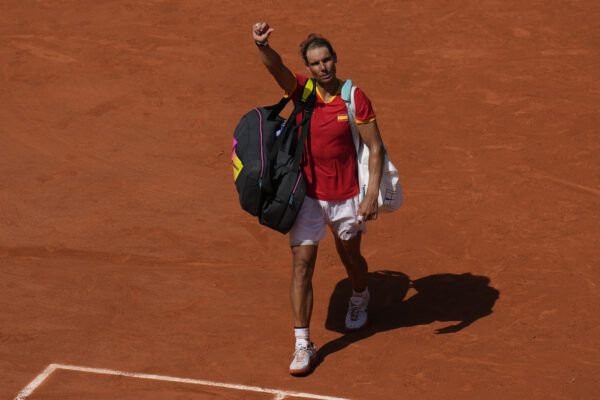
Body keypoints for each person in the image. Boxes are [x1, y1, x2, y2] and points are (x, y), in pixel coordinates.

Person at [252, 22, 385, 376]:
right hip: (307, 196)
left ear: (335, 60)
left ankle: (360, 295)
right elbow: (277, 68)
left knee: (351, 257)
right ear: (308, 68)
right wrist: (262, 46)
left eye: (327, 60)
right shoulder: (305, 92)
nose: (322, 67)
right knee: (302, 265)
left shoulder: (353, 97)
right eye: (315, 63)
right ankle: (302, 342)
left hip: (346, 197)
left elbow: (375, 147)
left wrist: (371, 196)